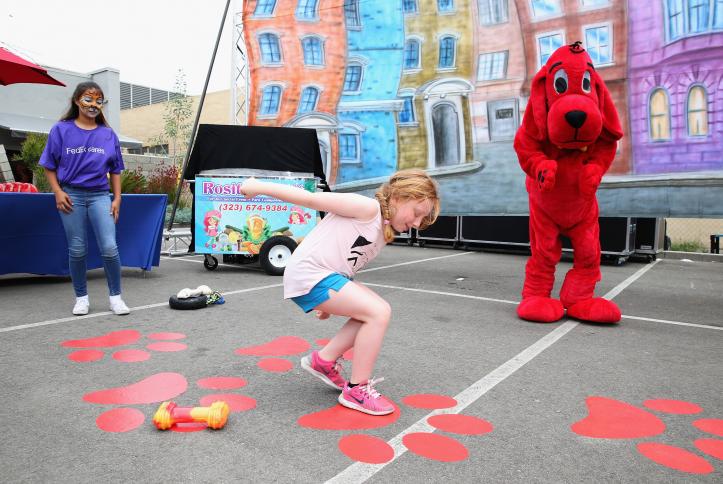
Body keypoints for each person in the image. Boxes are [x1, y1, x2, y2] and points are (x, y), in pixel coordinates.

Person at [241, 169, 440, 415]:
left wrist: (331, 302)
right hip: (309, 274)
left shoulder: (381, 231)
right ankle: (357, 390)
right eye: (417, 213)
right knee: (379, 311)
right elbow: (311, 200)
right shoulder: (367, 208)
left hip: (323, 277)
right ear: (398, 197)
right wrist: (258, 186)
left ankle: (323, 361)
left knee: (369, 312)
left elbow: (346, 261)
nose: (418, 223)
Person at [39, 81, 130, 316]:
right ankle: (81, 298)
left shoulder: (108, 134)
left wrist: (117, 198)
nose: (93, 105)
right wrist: (58, 191)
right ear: (76, 100)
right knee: (77, 249)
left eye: (99, 100)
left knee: (110, 247)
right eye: (88, 99)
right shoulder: (61, 130)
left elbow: (116, 170)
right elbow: (49, 165)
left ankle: (116, 297)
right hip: (71, 195)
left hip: (100, 195)